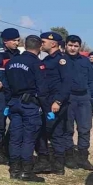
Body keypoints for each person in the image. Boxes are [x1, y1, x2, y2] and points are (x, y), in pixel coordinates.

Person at [3, 35, 47, 181]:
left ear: (25, 45)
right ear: (40, 47)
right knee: (28, 138)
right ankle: (26, 172)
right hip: (30, 105)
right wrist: (45, 108)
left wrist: (8, 103)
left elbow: (7, 86)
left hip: (14, 104)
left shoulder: (11, 62)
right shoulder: (37, 64)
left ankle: (14, 170)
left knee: (15, 138)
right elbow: (42, 89)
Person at [34, 32, 72, 175]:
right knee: (51, 133)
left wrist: (58, 101)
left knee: (50, 133)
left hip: (55, 103)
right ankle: (53, 165)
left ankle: (53, 163)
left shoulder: (61, 60)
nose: (41, 44)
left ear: (53, 43)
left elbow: (67, 83)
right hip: (46, 102)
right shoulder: (47, 59)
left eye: (43, 42)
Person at [65, 35, 93, 171]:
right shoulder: (61, 60)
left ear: (79, 47)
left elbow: (92, 80)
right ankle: (69, 157)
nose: (73, 48)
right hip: (67, 99)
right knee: (67, 130)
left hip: (83, 99)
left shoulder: (85, 62)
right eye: (70, 45)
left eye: (75, 46)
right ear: (65, 46)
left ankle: (82, 158)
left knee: (85, 129)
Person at [0, 28, 22, 165]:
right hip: (1, 95)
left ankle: (7, 148)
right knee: (0, 124)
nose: (17, 43)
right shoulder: (0, 54)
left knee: (15, 125)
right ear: (6, 40)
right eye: (15, 40)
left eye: (18, 40)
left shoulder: (18, 55)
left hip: (14, 94)